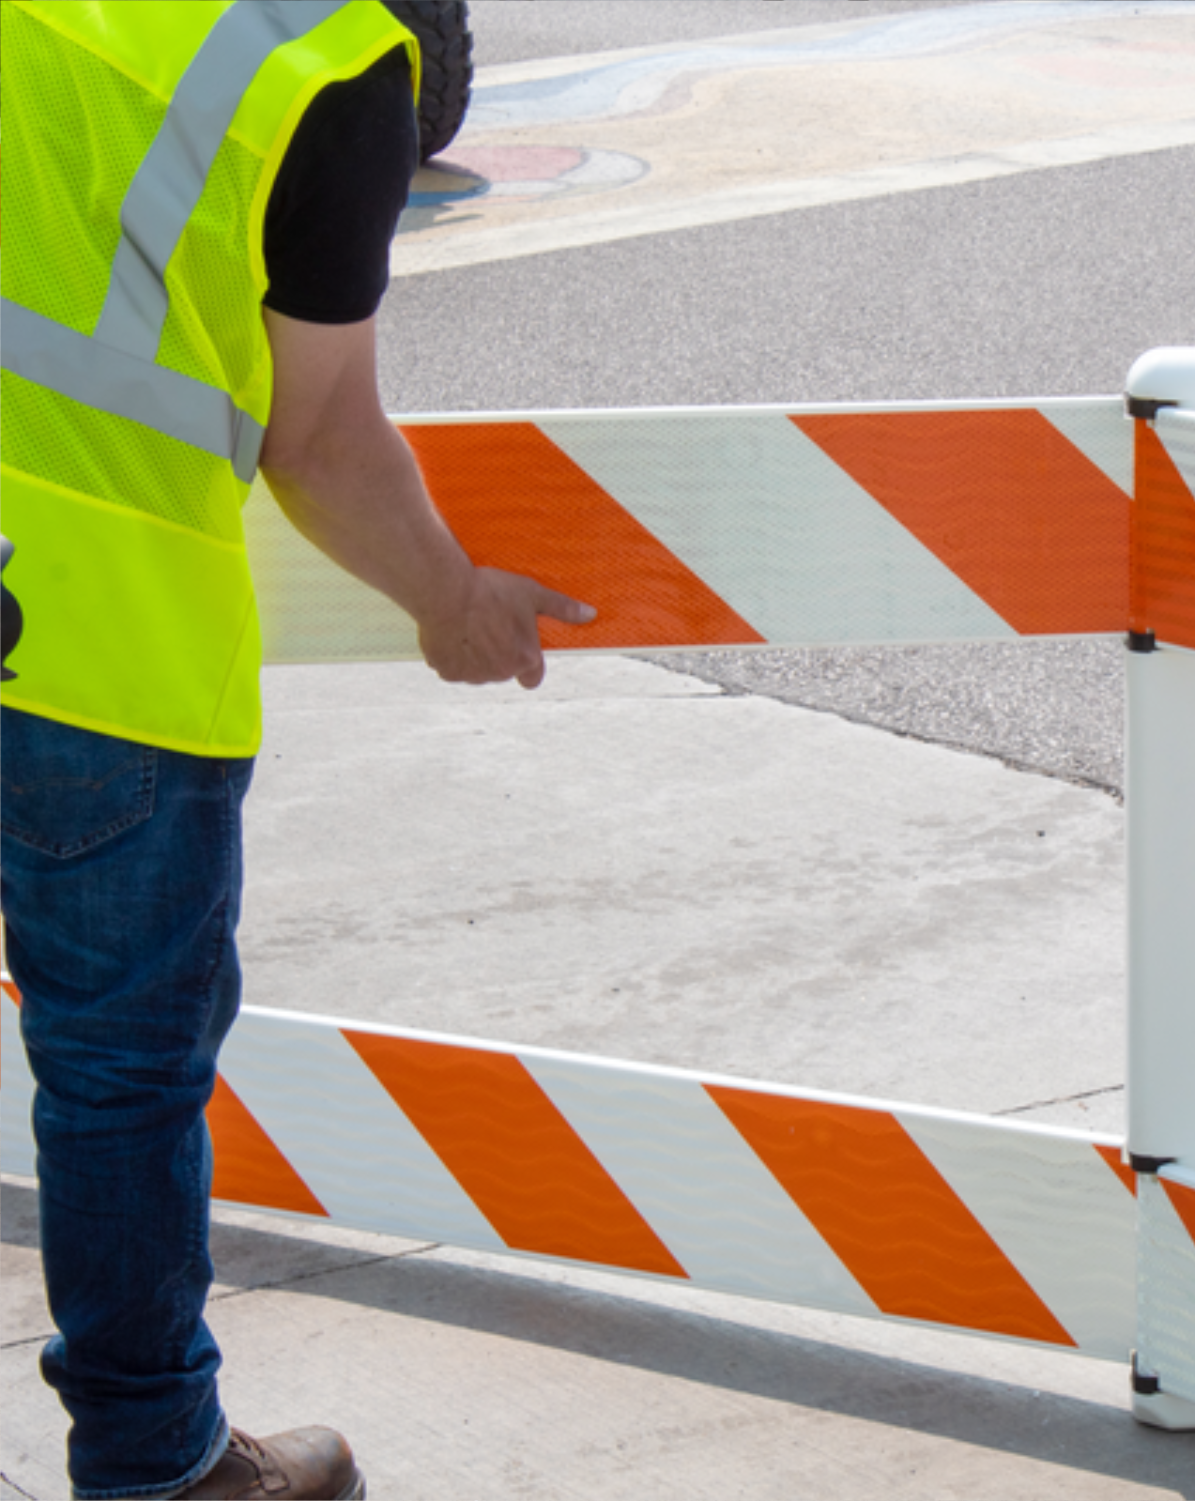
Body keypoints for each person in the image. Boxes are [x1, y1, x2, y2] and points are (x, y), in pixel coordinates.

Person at [0, 3, 594, 1496]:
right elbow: (320, 434)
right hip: (93, 651)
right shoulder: (319, 69)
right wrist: (451, 600)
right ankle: (154, 1462)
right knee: (116, 1084)